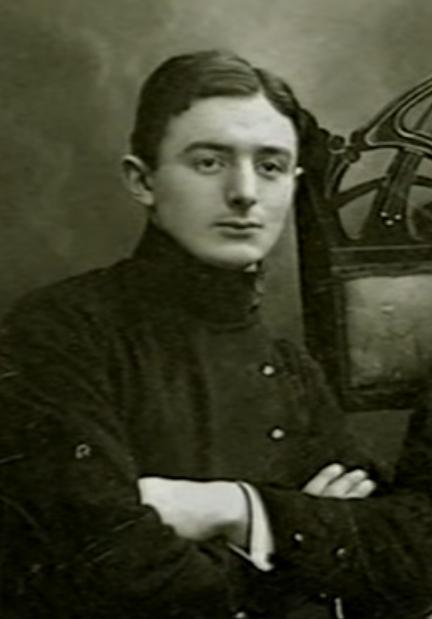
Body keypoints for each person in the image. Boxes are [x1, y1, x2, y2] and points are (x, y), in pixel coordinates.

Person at [0, 49, 431, 619]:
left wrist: (239, 511)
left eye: (271, 166)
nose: (245, 192)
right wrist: (296, 554)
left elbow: (406, 558)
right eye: (208, 162)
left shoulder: (287, 364)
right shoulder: (59, 331)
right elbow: (114, 576)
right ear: (142, 180)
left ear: (293, 183)